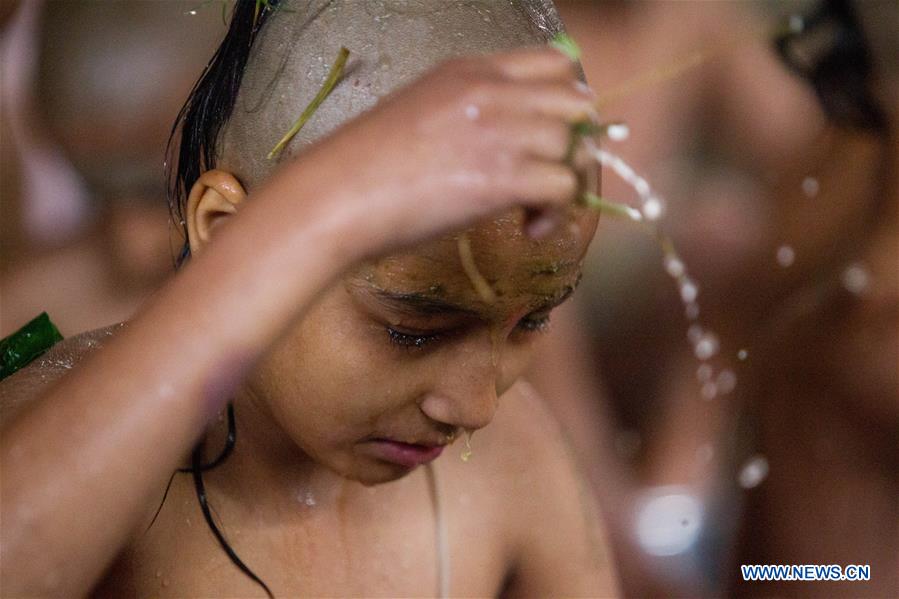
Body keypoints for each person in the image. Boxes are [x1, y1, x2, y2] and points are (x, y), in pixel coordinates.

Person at [0, 1, 618, 597]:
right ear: (228, 234)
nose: (474, 405)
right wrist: (318, 210)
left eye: (532, 320)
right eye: (412, 328)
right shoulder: (69, 456)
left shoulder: (515, 463)